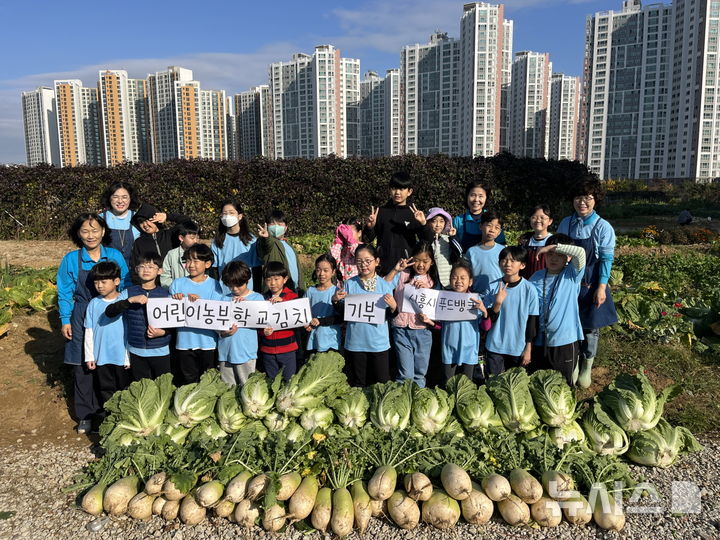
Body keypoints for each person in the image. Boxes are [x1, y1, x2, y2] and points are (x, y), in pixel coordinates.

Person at [57, 213, 129, 434]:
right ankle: (86, 414)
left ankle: (110, 412)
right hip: (81, 313)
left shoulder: (115, 255)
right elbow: (65, 292)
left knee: (111, 362)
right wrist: (65, 320)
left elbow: (125, 284)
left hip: (112, 311)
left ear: (103, 232)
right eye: (85, 231)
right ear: (78, 234)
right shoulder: (71, 259)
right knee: (83, 364)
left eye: (95, 230)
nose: (90, 235)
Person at [557, 180, 618, 388]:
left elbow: (606, 260)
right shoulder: (566, 223)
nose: (582, 202)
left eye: (588, 198)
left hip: (592, 280)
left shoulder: (603, 227)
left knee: (590, 327)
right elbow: (560, 251)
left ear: (595, 201)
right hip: (570, 278)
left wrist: (601, 287)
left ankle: (587, 365)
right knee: (570, 322)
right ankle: (573, 362)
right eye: (578, 198)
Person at [333, 244, 398, 387]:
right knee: (358, 382)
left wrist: (394, 307)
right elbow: (344, 313)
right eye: (359, 261)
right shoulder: (350, 284)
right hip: (355, 342)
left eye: (368, 261)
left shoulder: (385, 285)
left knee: (381, 382)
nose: (364, 265)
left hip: (378, 343)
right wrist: (336, 301)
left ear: (377, 261)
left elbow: (388, 315)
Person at [419, 260, 489, 388]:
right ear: (450, 280)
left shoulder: (476, 299)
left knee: (466, 384)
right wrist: (430, 322)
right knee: (447, 382)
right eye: (454, 277)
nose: (458, 281)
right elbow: (441, 326)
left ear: (470, 281)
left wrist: (484, 311)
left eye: (463, 278)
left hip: (469, 349)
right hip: (449, 349)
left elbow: (485, 327)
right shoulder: (444, 299)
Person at [105, 252, 172, 381]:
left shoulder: (166, 294)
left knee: (163, 389)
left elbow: (175, 323)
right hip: (136, 350)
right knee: (141, 389)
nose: (146, 270)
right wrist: (129, 301)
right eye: (142, 266)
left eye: (151, 267)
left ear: (160, 271)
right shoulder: (128, 292)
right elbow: (110, 311)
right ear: (136, 270)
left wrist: (163, 332)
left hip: (161, 350)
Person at [530, 234, 587, 386]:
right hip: (539, 341)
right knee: (538, 384)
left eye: (559, 255)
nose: (553, 258)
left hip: (565, 341)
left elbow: (580, 253)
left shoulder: (572, 274)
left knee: (563, 386)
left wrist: (552, 246)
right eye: (550, 254)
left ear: (568, 257)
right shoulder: (536, 277)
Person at [385, 242, 439, 388]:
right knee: (405, 374)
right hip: (401, 328)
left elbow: (436, 310)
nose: (421, 265)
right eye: (417, 260)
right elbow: (383, 285)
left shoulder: (433, 282)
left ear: (432, 262)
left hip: (423, 331)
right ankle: (402, 402)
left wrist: (426, 290)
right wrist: (395, 270)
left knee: (420, 373)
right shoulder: (403, 275)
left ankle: (417, 402)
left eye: (425, 261)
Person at [362, 171, 434, 276]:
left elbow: (428, 240)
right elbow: (366, 240)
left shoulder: (413, 214)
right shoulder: (381, 212)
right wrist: (370, 227)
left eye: (402, 189)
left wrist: (423, 223)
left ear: (409, 191)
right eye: (394, 188)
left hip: (406, 268)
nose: (397, 192)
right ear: (389, 190)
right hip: (383, 268)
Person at [169, 244, 221, 384]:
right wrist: (175, 300)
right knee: (188, 381)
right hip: (184, 343)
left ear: (208, 264)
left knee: (208, 382)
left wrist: (200, 304)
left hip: (208, 343)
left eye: (196, 261)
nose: (191, 265)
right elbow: (168, 312)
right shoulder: (177, 284)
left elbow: (217, 311)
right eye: (188, 261)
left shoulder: (215, 285)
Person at [484, 246, 539, 376]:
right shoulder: (493, 287)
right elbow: (487, 321)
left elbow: (532, 321)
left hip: (517, 348)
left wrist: (528, 348)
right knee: (494, 385)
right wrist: (497, 302)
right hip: (494, 346)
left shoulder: (529, 289)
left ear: (523, 265)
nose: (507, 264)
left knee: (514, 387)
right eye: (504, 260)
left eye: (513, 261)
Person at [83, 261, 131, 409]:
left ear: (116, 281)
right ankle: (109, 418)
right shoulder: (93, 303)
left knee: (125, 390)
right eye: (96, 282)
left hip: (121, 356)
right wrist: (89, 356)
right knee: (105, 390)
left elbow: (130, 330)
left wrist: (128, 355)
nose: (99, 286)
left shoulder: (125, 300)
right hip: (101, 357)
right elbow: (89, 331)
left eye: (104, 282)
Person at [217, 261, 264, 386]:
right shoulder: (224, 299)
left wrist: (246, 306)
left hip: (246, 352)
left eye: (239, 285)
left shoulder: (257, 298)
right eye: (231, 286)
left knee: (247, 387)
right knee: (227, 389)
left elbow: (262, 322)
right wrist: (223, 332)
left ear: (247, 280)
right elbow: (217, 325)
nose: (235, 289)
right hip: (225, 352)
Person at [259, 262, 300, 381]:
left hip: (288, 348)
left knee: (289, 380)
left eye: (276, 279)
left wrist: (284, 303)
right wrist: (263, 332)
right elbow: (257, 322)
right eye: (268, 280)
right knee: (272, 380)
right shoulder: (262, 298)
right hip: (268, 349)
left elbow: (298, 318)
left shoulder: (292, 297)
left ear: (285, 279)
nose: (272, 283)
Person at [211, 200, 260, 292]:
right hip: (224, 292)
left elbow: (256, 269)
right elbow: (214, 271)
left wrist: (257, 292)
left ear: (240, 216)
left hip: (247, 292)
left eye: (231, 213)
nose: (227, 216)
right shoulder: (216, 242)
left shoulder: (251, 240)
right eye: (224, 213)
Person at [130, 202, 191, 271]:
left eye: (147, 220)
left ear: (155, 219)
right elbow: (135, 266)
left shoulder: (170, 234)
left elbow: (188, 222)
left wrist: (167, 216)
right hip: (151, 281)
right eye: (141, 222)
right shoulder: (139, 242)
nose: (145, 225)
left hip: (174, 279)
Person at [256, 210, 303, 293]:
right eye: (272, 224)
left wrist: (301, 288)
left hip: (294, 290)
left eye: (280, 224)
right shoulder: (268, 242)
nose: (276, 227)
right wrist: (266, 238)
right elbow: (266, 245)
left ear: (285, 228)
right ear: (267, 226)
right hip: (276, 292)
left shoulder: (288, 245)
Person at [304, 254, 343, 354]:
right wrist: (306, 323)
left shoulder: (337, 292)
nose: (321, 274)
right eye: (318, 270)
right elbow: (303, 313)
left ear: (333, 272)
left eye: (326, 270)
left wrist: (320, 321)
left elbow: (340, 317)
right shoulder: (310, 291)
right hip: (313, 339)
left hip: (331, 339)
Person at [452, 180, 506, 251]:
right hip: (465, 261)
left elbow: (501, 246)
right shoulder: (458, 220)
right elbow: (453, 247)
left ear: (486, 198)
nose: (476, 199)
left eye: (481, 196)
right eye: (472, 195)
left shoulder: (493, 219)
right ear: (467, 197)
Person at [464, 211, 505, 296]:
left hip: (498, 295)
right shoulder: (471, 251)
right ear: (481, 226)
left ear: (499, 232)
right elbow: (467, 274)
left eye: (496, 227)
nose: (492, 230)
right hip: (476, 296)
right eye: (489, 225)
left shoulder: (503, 250)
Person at [99, 181, 140, 265]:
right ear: (109, 198)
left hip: (134, 269)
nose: (120, 201)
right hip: (107, 270)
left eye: (124, 197)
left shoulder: (138, 218)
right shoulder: (100, 218)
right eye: (115, 197)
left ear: (130, 199)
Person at [426, 207, 463, 288]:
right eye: (434, 221)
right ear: (428, 223)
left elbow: (458, 254)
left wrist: (453, 238)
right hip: (430, 283)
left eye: (441, 221)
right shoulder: (426, 240)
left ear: (445, 223)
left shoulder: (448, 239)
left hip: (447, 282)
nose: (438, 224)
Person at [518, 205, 554, 279]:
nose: (538, 220)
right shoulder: (525, 240)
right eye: (534, 217)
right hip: (526, 282)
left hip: (546, 283)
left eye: (542, 218)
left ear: (550, 221)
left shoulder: (553, 240)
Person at [161, 220, 200, 288]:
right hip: (176, 295)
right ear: (181, 238)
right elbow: (165, 277)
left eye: (197, 238)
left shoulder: (201, 253)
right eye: (192, 238)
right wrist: (176, 288)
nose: (195, 241)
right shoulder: (172, 254)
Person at [330, 217, 363, 282]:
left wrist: (350, 240)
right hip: (342, 284)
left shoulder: (362, 247)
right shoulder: (342, 247)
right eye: (344, 233)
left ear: (359, 233)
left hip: (356, 283)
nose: (346, 235)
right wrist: (338, 242)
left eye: (350, 232)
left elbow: (358, 254)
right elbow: (333, 259)